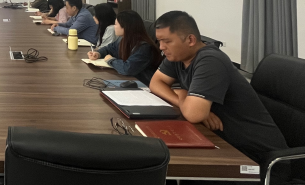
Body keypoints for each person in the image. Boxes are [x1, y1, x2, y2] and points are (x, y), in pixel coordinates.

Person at [150, 11, 288, 172]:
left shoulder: (210, 60)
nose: (161, 47)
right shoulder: (178, 56)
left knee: (166, 167)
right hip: (224, 143)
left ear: (190, 40)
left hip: (259, 159)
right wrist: (184, 100)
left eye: (167, 41)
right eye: (160, 41)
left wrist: (184, 96)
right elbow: (155, 83)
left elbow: (194, 114)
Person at [87, 10, 161, 85]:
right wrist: (98, 54)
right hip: (128, 80)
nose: (114, 27)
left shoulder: (144, 47)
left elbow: (127, 69)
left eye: (116, 24)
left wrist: (110, 60)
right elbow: (109, 48)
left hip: (144, 84)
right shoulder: (123, 39)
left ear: (125, 27)